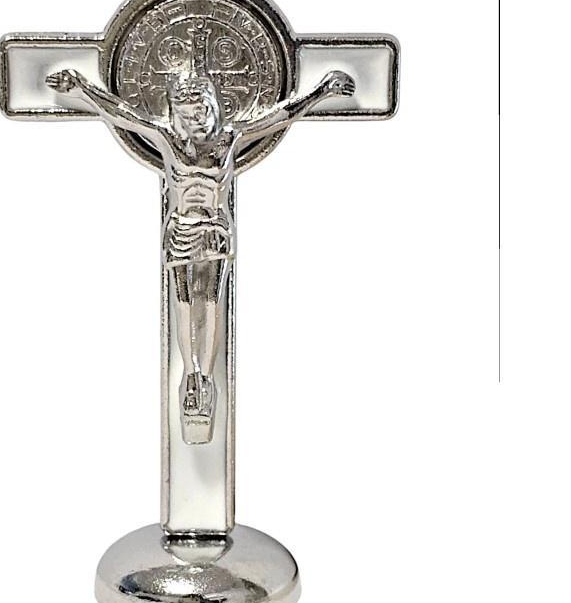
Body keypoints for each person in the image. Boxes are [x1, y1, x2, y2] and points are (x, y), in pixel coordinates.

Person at [46, 66, 355, 443]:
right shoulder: (169, 141)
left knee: (208, 301)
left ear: (213, 107)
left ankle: (203, 377)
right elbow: (123, 115)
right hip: (180, 230)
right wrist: (82, 89)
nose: (197, 120)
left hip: (213, 230)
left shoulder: (228, 140)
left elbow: (280, 115)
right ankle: (190, 375)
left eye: (202, 111)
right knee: (182, 302)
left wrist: (321, 92)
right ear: (176, 114)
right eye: (188, 114)